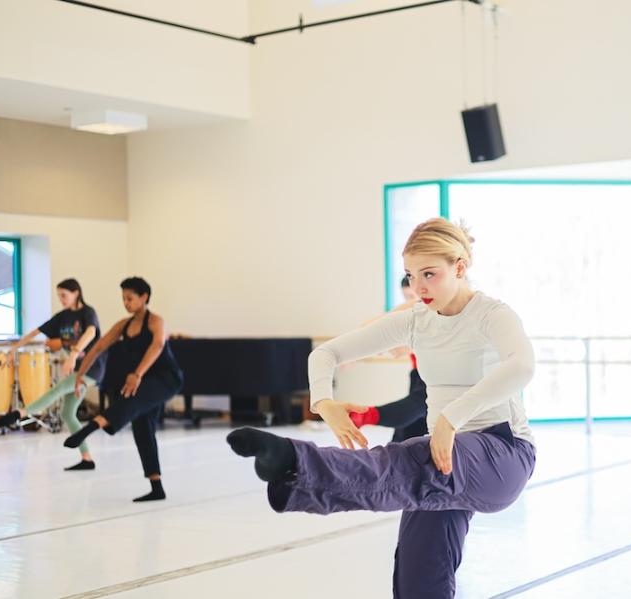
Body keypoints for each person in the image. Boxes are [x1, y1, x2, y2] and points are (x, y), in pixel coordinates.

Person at [227, 218, 536, 598]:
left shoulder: (492, 314)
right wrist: (324, 401)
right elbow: (326, 353)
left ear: (460, 267)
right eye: (410, 275)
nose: (418, 287)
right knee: (417, 576)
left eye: (429, 274)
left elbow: (521, 366)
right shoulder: (415, 320)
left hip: (502, 453)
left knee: (409, 461)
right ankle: (296, 476)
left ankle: (295, 463)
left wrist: (450, 419)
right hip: (445, 459)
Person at [64, 277, 183, 502]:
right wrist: (79, 375)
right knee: (142, 428)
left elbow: (157, 346)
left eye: (130, 298)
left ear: (144, 297)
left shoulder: (156, 321)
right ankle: (156, 487)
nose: (126, 303)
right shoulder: (123, 325)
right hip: (145, 380)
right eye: (123, 299)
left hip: (166, 379)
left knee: (132, 402)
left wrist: (137, 374)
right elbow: (98, 346)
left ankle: (92, 426)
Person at [0, 279, 106, 471]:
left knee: (59, 389)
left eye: (64, 295)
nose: (61, 299)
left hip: (91, 367)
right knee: (67, 413)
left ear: (76, 293)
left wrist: (73, 354)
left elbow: (91, 332)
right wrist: (14, 348)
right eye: (59, 296)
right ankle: (87, 459)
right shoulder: (62, 317)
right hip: (75, 369)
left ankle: (20, 413)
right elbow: (36, 332)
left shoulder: (87, 313)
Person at [350, 275, 429, 441]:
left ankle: (368, 416)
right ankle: (394, 448)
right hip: (418, 373)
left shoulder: (425, 306)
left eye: (413, 296)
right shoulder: (413, 313)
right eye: (406, 297)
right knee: (414, 421)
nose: (411, 301)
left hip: (431, 373)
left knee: (418, 410)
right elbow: (369, 328)